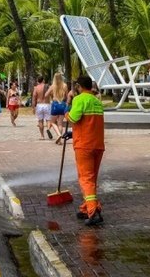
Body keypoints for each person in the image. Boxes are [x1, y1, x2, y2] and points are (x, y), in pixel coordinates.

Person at [66, 75, 106, 226]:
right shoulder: (97, 101)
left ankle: (93, 212)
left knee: (85, 179)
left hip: (84, 146)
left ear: (79, 86)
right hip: (98, 145)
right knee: (92, 179)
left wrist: (66, 113)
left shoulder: (80, 99)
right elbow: (89, 123)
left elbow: (74, 118)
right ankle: (87, 208)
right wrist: (72, 133)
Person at [45, 73, 69, 142]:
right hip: (63, 105)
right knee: (60, 123)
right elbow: (67, 96)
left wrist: (51, 96)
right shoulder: (65, 85)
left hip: (55, 104)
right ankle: (60, 140)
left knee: (52, 122)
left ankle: (58, 134)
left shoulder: (53, 86)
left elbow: (46, 95)